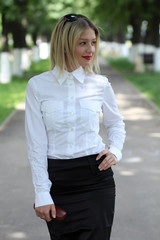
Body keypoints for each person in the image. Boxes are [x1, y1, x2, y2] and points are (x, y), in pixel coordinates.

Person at [25, 13, 126, 240]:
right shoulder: (38, 86)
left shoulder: (100, 84)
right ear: (64, 44)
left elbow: (115, 123)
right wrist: (42, 192)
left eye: (93, 42)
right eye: (82, 43)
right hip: (59, 182)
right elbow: (36, 144)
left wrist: (115, 150)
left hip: (96, 179)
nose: (90, 49)